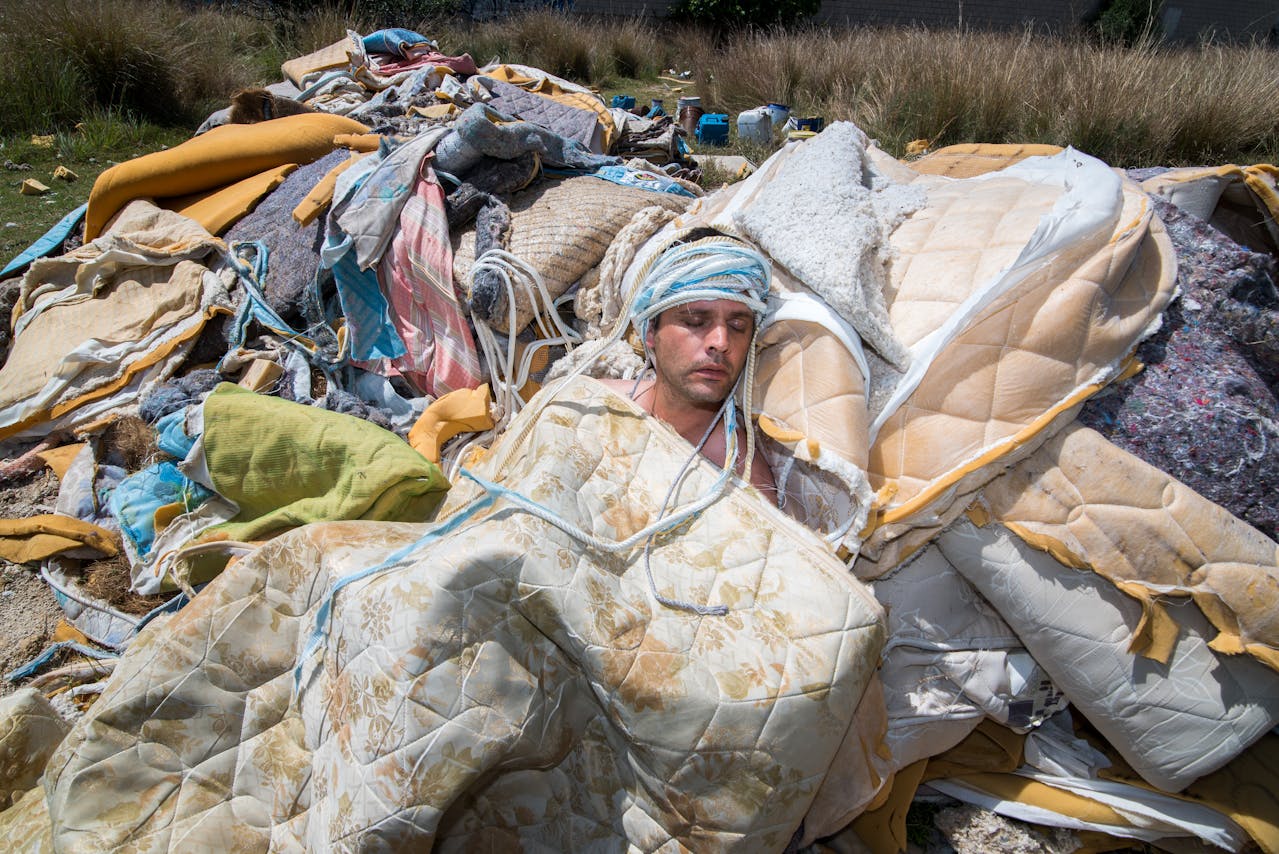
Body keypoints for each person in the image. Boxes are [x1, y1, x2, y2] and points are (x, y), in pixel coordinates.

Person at [602, 230, 776, 499]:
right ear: (650, 332)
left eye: (738, 326)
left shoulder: (747, 488)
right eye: (695, 321)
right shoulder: (587, 404)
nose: (721, 341)